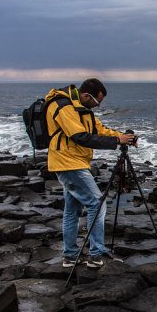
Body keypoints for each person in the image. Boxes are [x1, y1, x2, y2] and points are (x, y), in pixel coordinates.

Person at [45, 78, 136, 268]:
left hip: (75, 162)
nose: (98, 105)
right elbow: (80, 137)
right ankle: (96, 254)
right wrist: (116, 142)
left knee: (72, 210)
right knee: (97, 203)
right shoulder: (63, 106)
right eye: (97, 102)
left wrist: (122, 137)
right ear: (87, 95)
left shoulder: (82, 109)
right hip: (68, 163)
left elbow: (99, 130)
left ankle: (70, 256)